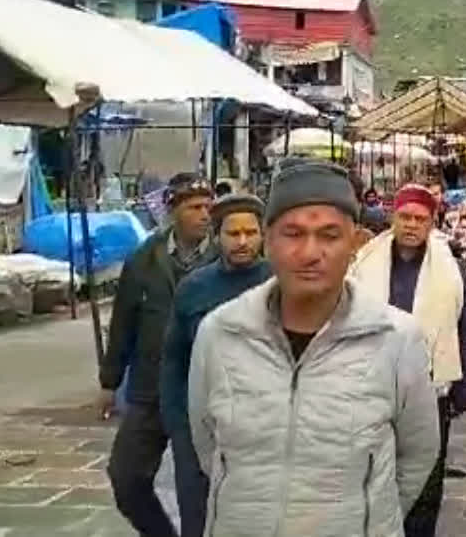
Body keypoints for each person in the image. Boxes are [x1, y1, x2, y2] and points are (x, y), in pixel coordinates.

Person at [188, 161, 441, 536]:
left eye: (329, 235)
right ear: (268, 240)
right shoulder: (221, 333)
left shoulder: (396, 339)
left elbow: (416, 455)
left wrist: (370, 518)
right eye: (293, 233)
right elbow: (209, 447)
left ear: (355, 244)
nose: (310, 252)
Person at [351, 184, 466, 537]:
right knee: (373, 473)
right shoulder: (364, 263)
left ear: (431, 223)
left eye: (419, 219)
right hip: (372, 385)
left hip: (429, 388)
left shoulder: (452, 271)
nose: (411, 225)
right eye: (405, 217)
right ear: (393, 217)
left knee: (425, 478)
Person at [99, 172, 215, 537]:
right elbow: (122, 324)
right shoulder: (144, 259)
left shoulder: (223, 258)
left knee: (196, 490)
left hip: (202, 393)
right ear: (173, 210)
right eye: (195, 207)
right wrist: (109, 381)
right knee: (126, 477)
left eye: (208, 206)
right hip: (150, 390)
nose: (205, 214)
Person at [160, 194, 272, 537]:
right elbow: (173, 360)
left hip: (264, 429)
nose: (242, 242)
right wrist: (179, 427)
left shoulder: (280, 283)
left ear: (263, 235)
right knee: (199, 518)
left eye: (250, 233)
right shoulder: (194, 288)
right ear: (217, 235)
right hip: (202, 426)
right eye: (232, 233)